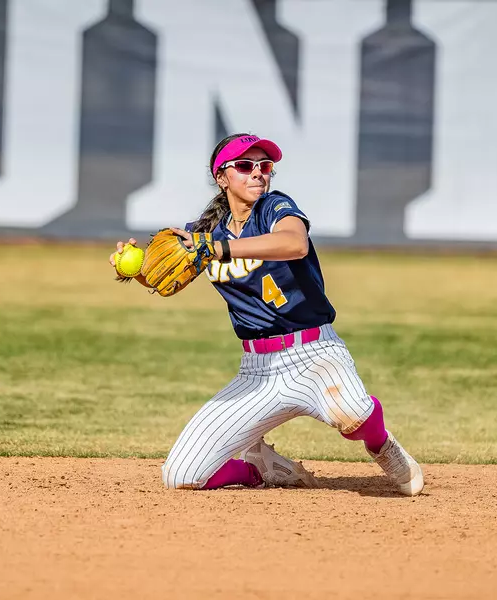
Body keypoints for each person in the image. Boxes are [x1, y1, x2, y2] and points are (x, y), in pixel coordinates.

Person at [109, 133, 424, 496]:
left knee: (352, 412)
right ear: (222, 177)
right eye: (245, 166)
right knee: (181, 474)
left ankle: (382, 445)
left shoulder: (274, 207)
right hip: (257, 372)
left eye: (265, 166)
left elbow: (294, 243)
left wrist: (217, 248)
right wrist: (133, 271)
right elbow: (166, 278)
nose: (257, 173)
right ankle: (261, 469)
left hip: (316, 357)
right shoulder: (205, 233)